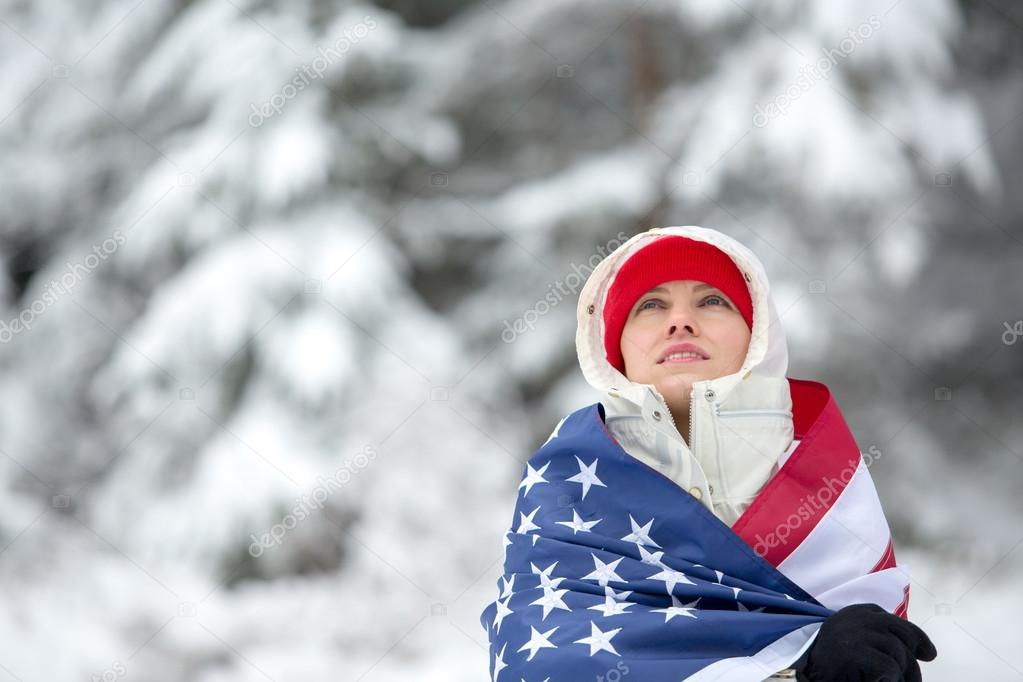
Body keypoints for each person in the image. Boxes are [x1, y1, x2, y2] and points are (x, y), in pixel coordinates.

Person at [481, 225, 937, 681]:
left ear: (756, 330)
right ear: (614, 345)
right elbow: (539, 654)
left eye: (712, 301)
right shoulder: (566, 475)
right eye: (651, 305)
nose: (680, 322)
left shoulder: (822, 469)